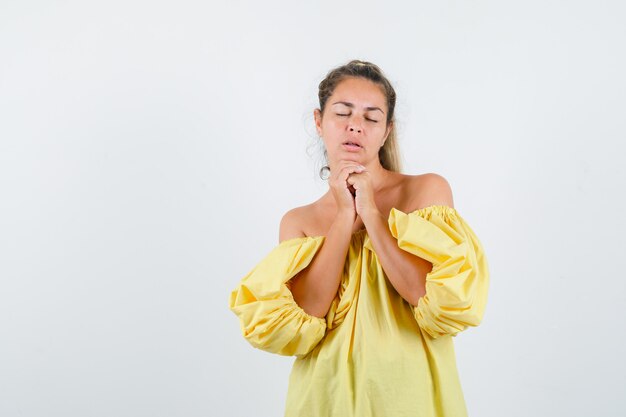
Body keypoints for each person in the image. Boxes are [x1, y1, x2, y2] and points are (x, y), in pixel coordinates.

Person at [228, 59, 490, 417]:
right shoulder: (299, 221)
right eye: (343, 113)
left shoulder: (425, 192)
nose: (355, 126)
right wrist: (342, 218)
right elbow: (307, 314)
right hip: (324, 400)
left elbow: (428, 296)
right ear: (319, 122)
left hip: (412, 400)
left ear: (386, 132)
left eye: (371, 117)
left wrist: (371, 214)